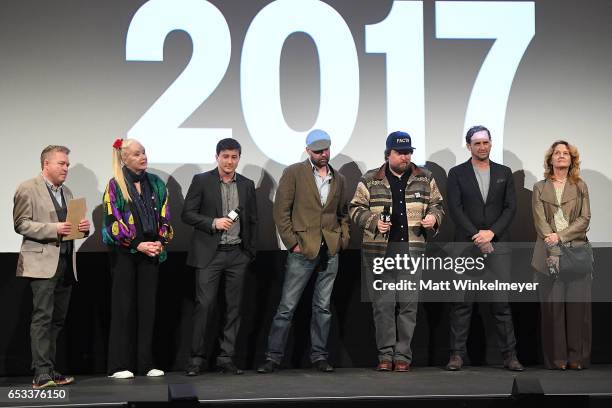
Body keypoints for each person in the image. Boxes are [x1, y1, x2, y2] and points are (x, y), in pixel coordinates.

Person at [349, 131, 444, 372]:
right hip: (379, 254)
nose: (405, 157)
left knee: (408, 306)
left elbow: (437, 204)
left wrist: (433, 217)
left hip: (411, 252)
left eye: (408, 152)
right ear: (388, 154)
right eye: (400, 153)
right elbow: (355, 209)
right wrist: (373, 221)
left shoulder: (425, 177)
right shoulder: (370, 179)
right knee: (383, 306)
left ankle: (402, 356)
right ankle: (385, 355)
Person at [257, 129, 350, 373]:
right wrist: (292, 243)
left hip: (330, 250)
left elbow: (343, 214)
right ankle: (273, 357)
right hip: (302, 250)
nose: (323, 154)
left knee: (323, 308)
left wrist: (342, 239)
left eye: (326, 150)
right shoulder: (294, 173)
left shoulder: (338, 178)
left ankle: (319, 356)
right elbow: (281, 211)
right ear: (308, 150)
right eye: (318, 151)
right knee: (287, 306)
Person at [445, 125, 524, 371]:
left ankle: (510, 356)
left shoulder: (504, 172)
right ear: (468, 146)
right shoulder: (457, 173)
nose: (482, 147)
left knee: (501, 305)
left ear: (491, 144)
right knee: (462, 304)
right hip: (466, 246)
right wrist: (477, 236)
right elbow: (456, 209)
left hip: (497, 246)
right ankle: (457, 355)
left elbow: (510, 208)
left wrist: (492, 233)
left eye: (486, 142)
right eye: (477, 143)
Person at [13, 145, 90, 388]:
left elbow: (70, 226)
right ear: (46, 164)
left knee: (57, 319)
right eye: (61, 163)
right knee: (42, 318)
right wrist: (53, 229)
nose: (66, 168)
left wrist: (82, 228)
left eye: (67, 164)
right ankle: (41, 373)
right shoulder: (28, 188)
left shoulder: (66, 192)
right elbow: (21, 224)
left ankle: (50, 368)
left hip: (66, 262)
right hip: (42, 262)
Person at [182, 138, 257, 376]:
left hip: (237, 254)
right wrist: (212, 222)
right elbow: (187, 214)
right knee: (204, 306)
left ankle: (226, 358)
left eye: (234, 157)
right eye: (225, 156)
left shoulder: (246, 184)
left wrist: (249, 252)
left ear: (238, 159)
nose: (229, 161)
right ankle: (196, 359)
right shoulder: (201, 181)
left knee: (234, 308)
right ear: (217, 157)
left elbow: (253, 219)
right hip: (209, 255)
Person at [102, 138, 173, 379]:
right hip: (126, 253)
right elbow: (112, 222)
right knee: (124, 309)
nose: (142, 157)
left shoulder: (156, 183)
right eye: (135, 154)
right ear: (124, 158)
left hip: (151, 251)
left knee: (148, 309)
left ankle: (145, 363)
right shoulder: (115, 185)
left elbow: (165, 215)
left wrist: (159, 242)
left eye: (143, 152)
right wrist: (136, 244)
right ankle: (119, 364)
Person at [531, 140, 591, 370]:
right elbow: (540, 220)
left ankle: (577, 357)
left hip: (575, 252)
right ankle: (557, 358)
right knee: (553, 309)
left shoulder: (580, 186)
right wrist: (553, 244)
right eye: (557, 153)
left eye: (565, 153)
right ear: (551, 159)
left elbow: (584, 219)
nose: (561, 156)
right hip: (548, 253)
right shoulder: (539, 187)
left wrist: (560, 237)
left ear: (571, 159)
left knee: (577, 310)